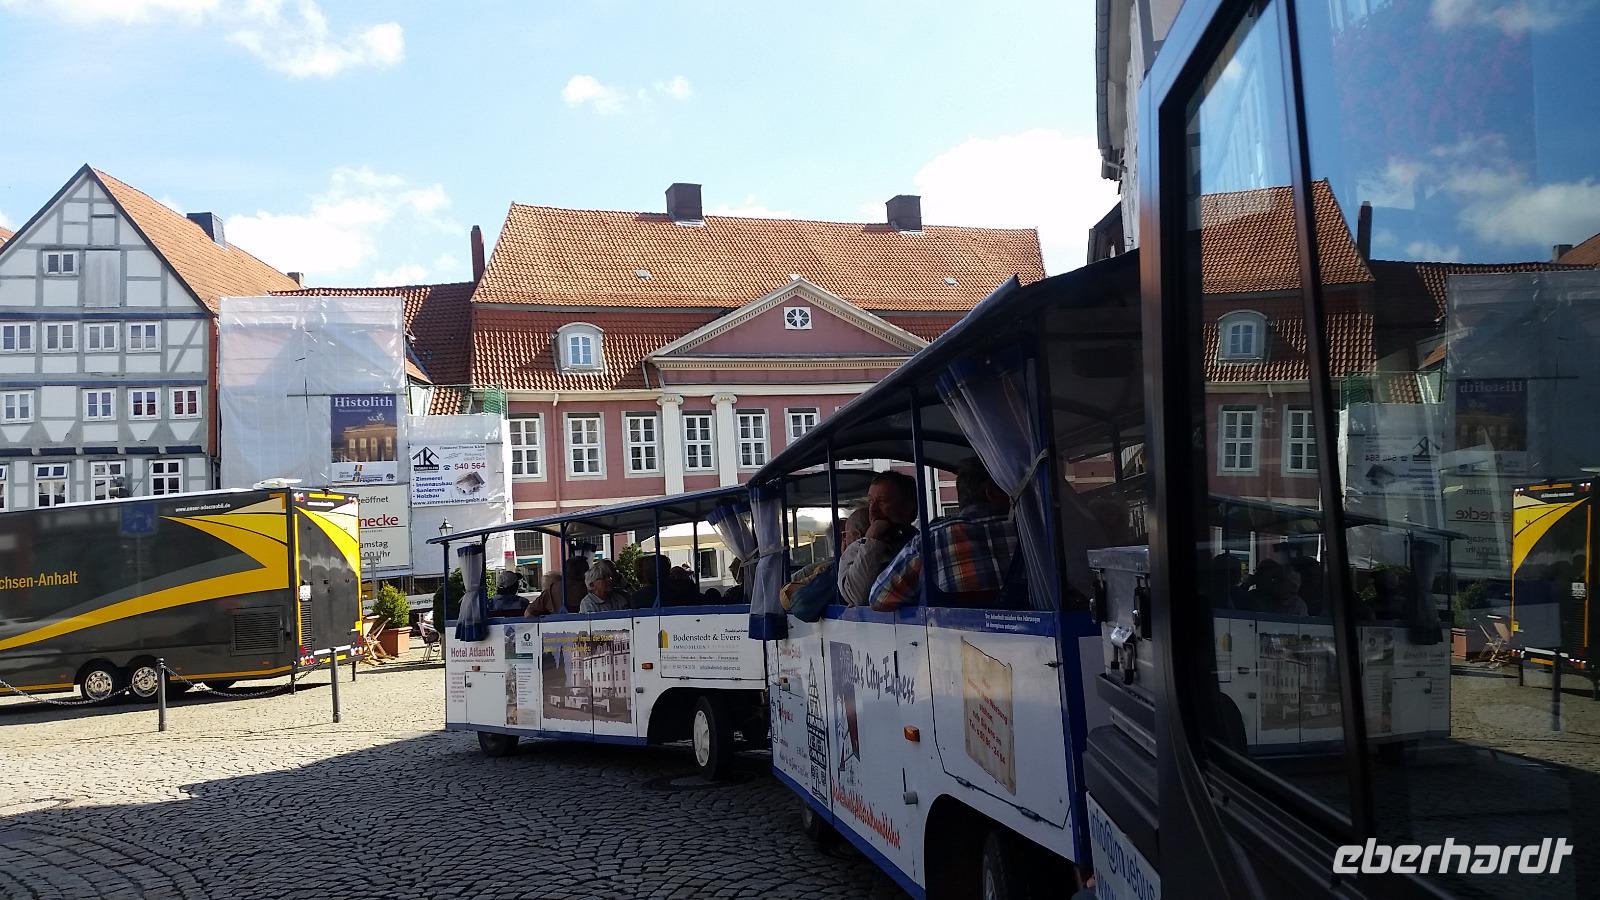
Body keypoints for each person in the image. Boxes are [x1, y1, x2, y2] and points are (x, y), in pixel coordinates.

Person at [869, 458, 1017, 612]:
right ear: (992, 493)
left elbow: (879, 598)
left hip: (954, 626)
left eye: (882, 501)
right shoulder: (1025, 531)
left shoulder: (931, 539)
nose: (872, 509)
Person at [838, 470, 919, 606]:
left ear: (907, 507)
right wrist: (872, 539)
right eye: (870, 501)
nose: (873, 509)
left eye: (882, 501)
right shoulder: (856, 550)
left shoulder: (921, 544)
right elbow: (856, 597)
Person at [781, 506, 868, 610]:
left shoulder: (830, 570)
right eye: (843, 535)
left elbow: (798, 602)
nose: (845, 539)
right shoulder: (826, 568)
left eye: (846, 535)